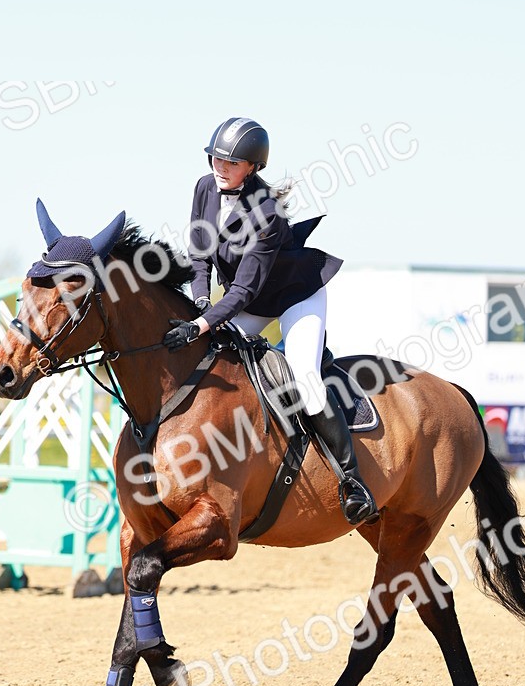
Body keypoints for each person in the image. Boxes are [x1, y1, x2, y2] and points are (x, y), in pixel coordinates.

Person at [162, 116, 379, 526]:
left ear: (252, 167)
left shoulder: (267, 213)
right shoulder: (205, 187)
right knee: (207, 358)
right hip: (250, 299)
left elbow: (243, 291)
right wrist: (202, 303)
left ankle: (353, 482)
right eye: (215, 158)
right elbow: (199, 255)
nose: (219, 166)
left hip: (295, 294)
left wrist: (202, 323)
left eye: (230, 161)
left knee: (305, 379)